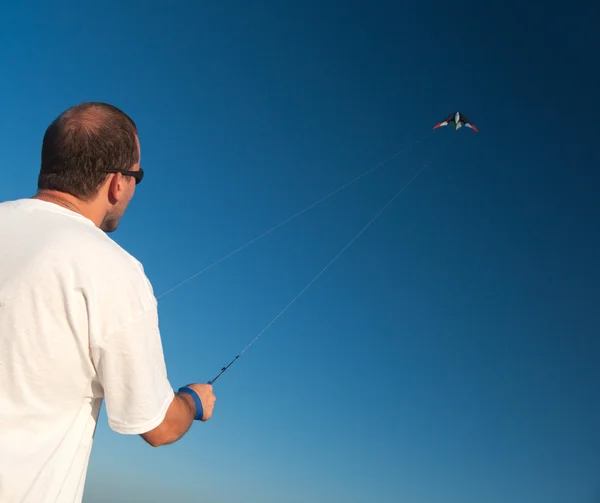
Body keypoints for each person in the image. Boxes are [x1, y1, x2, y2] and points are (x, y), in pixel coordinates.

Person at [0, 102, 216, 503]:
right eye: (137, 176)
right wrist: (193, 401)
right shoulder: (114, 269)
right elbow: (160, 428)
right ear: (117, 183)